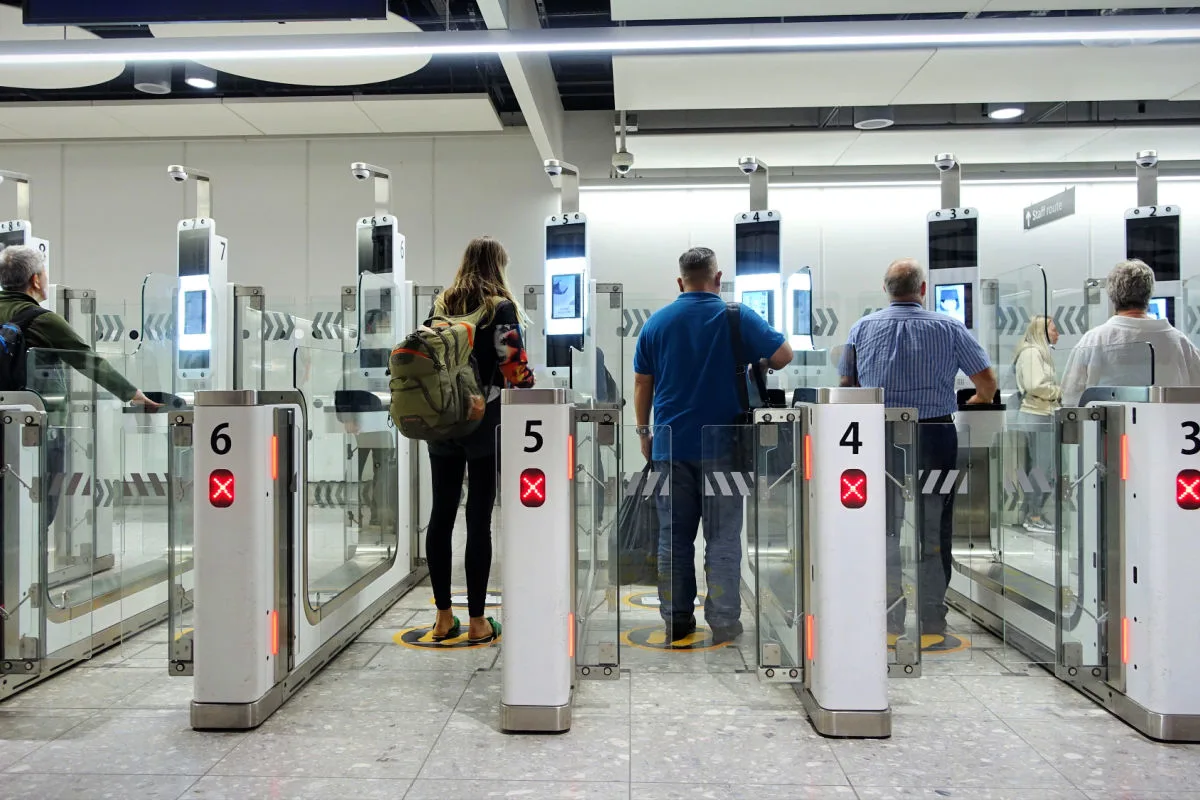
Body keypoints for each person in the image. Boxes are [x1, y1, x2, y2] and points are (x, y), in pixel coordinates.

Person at [633, 247, 792, 643]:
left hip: (670, 446)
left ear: (679, 280)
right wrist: (754, 363)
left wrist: (643, 433)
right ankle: (724, 621)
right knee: (722, 537)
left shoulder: (656, 324)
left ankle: (676, 619)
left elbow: (642, 384)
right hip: (728, 447)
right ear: (718, 278)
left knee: (673, 537)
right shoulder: (736, 316)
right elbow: (783, 355)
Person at [839, 258, 997, 635]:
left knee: (884, 526)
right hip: (935, 436)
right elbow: (987, 385)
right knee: (933, 527)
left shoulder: (862, 329)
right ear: (923, 289)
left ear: (886, 289)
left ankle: (890, 614)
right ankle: (931, 617)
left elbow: (847, 388)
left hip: (881, 437)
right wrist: (971, 401)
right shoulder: (950, 327)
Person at [0, 245, 160, 527]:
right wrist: (133, 394)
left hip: (4, 422)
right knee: (38, 507)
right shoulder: (41, 320)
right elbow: (88, 361)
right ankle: (26, 565)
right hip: (39, 428)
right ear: (36, 280)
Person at [426, 237, 534, 644]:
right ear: (498, 266)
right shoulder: (499, 305)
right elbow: (513, 364)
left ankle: (441, 617)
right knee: (478, 516)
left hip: (442, 421)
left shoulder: (442, 303)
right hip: (484, 423)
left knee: (441, 513)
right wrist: (531, 387)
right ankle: (476, 620)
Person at [1062, 259, 1200, 406]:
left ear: (1111, 294)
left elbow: (1071, 399)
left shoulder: (1093, 341)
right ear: (1150, 292)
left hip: (1109, 428)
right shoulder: (1180, 343)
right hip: (1169, 427)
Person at [1013, 316, 1062, 533]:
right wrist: (1060, 392)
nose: (1057, 333)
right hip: (1037, 415)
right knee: (1042, 469)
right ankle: (1033, 514)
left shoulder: (1039, 353)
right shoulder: (1033, 353)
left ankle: (1035, 513)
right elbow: (1035, 385)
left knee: (1043, 468)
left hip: (1041, 415)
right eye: (1054, 329)